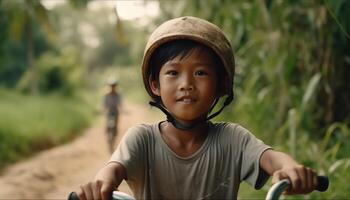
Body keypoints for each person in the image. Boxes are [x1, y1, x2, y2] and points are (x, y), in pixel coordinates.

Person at [75, 16, 319, 200]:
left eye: (200, 73)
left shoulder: (233, 139)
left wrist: (291, 170)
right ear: (154, 84)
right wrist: (99, 186)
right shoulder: (142, 139)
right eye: (173, 73)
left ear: (221, 84)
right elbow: (112, 172)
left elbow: (273, 159)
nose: (187, 84)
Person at [103, 78, 122, 153]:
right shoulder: (106, 94)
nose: (112, 87)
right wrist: (103, 110)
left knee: (116, 127)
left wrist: (122, 109)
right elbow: (104, 105)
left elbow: (120, 104)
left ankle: (114, 134)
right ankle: (107, 132)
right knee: (107, 125)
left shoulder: (118, 95)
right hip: (109, 112)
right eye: (111, 86)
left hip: (115, 112)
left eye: (114, 85)